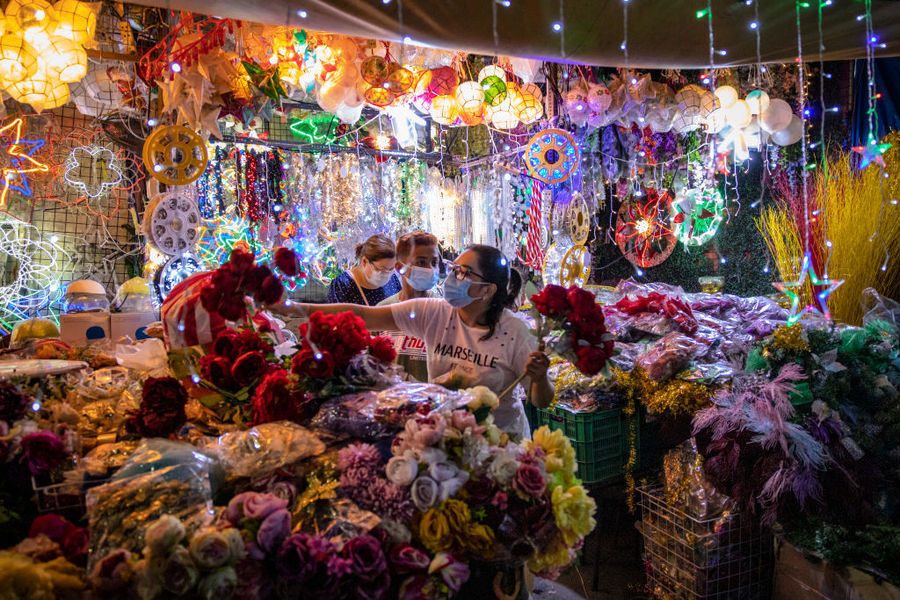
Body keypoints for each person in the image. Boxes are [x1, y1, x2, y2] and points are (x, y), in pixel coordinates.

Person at [275, 244, 552, 440]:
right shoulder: (433, 312)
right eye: (454, 269)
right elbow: (363, 316)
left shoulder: (516, 331)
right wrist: (288, 308)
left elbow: (541, 401)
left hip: (502, 445)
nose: (453, 277)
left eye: (464, 273)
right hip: (449, 437)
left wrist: (540, 379)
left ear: (488, 290)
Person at [377, 231, 441, 382]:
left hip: (432, 401)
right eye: (421, 263)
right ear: (400, 268)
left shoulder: (442, 311)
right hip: (390, 401)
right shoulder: (382, 311)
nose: (430, 270)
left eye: (434, 263)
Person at [327, 234, 401, 305]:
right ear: (364, 261)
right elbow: (337, 317)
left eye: (391, 269)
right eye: (381, 269)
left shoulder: (392, 279)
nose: (386, 274)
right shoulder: (342, 285)